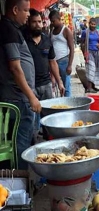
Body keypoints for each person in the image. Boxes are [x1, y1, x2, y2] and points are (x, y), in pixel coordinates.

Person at [0, 0, 42, 170]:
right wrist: (31, 97)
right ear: (15, 10)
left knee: (17, 141)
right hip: (18, 99)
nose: (28, 15)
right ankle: (21, 183)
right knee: (20, 144)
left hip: (18, 96)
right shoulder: (8, 30)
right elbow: (15, 67)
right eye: (25, 11)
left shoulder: (11, 28)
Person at [24, 9, 65, 140]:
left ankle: (49, 141)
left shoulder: (47, 40)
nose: (37, 25)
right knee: (31, 121)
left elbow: (52, 62)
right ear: (28, 23)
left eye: (39, 22)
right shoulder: (24, 41)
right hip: (30, 87)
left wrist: (59, 82)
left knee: (49, 119)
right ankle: (34, 145)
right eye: (34, 22)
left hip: (46, 84)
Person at [49, 10, 74, 97]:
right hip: (54, 62)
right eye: (51, 21)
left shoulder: (66, 30)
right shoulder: (52, 31)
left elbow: (72, 48)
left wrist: (70, 65)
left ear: (59, 19)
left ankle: (68, 106)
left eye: (54, 21)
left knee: (66, 86)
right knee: (57, 86)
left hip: (64, 61)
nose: (52, 23)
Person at [81, 18, 99, 93]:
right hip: (89, 52)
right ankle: (89, 87)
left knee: (96, 69)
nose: (93, 26)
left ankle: (93, 86)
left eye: (94, 24)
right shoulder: (85, 32)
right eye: (92, 24)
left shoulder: (97, 32)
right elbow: (82, 44)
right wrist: (84, 54)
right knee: (91, 68)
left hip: (96, 53)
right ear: (89, 23)